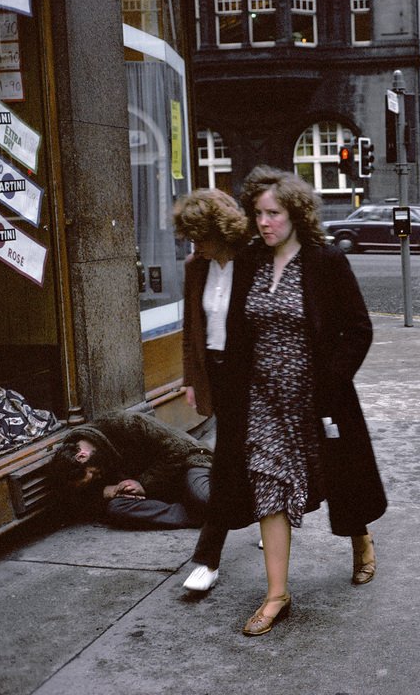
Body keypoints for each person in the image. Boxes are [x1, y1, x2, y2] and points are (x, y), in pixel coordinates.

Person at [212, 165, 386, 636]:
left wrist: (330, 381)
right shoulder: (250, 261)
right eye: (258, 213)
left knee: (340, 479)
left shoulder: (325, 261)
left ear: (296, 215)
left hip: (318, 400)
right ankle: (276, 594)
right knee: (268, 484)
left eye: (274, 213)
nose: (264, 222)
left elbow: (359, 330)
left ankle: (361, 539)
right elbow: (235, 332)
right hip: (262, 400)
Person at [172, 188, 254, 592]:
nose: (194, 244)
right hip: (219, 375)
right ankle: (268, 516)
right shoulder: (195, 266)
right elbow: (192, 330)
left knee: (229, 461)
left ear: (219, 230)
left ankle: (207, 558)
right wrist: (191, 379)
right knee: (233, 456)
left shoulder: (254, 261)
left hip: (254, 376)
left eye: (198, 235)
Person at [47, 411, 214, 529]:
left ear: (82, 456)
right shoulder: (82, 461)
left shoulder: (125, 423)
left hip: (189, 463)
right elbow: (78, 500)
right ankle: (194, 516)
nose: (98, 477)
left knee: (203, 497)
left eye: (94, 474)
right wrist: (105, 491)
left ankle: (211, 506)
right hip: (161, 490)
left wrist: (143, 484)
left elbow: (178, 449)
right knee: (117, 508)